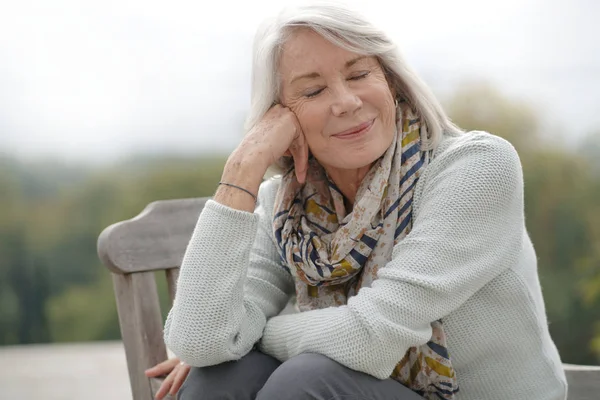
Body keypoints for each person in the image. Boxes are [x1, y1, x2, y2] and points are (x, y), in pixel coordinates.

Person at [145, 2, 568, 399]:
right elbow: (201, 341)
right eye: (312, 92)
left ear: (392, 81)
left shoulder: (476, 167)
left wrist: (250, 335)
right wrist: (242, 169)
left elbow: (372, 336)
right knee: (219, 378)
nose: (346, 103)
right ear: (280, 118)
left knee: (302, 381)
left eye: (359, 74)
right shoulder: (286, 207)